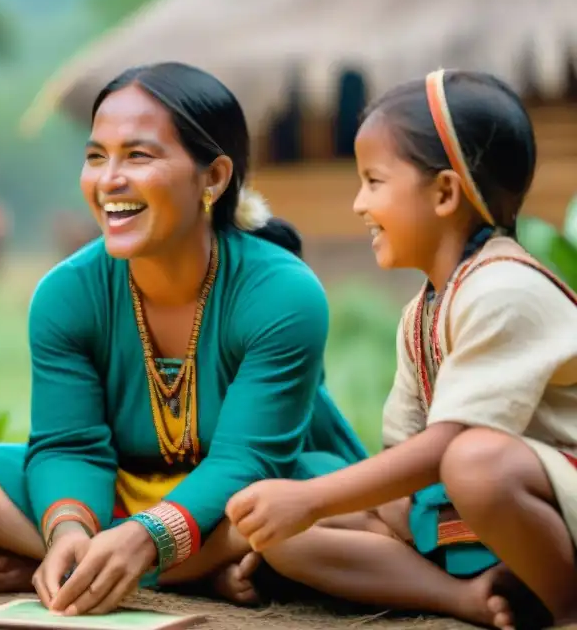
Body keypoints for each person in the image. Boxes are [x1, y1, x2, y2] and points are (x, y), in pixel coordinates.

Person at [0, 61, 368, 616]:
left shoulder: (282, 293)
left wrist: (147, 537)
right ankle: (149, 566)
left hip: (243, 495)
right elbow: (70, 445)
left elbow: (248, 461)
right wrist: (68, 529)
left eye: (138, 155)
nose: (108, 180)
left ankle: (119, 567)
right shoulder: (66, 294)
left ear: (214, 178)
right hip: (121, 494)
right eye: (96, 156)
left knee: (313, 510)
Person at [226, 69, 577, 630]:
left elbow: (447, 449)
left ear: (443, 193)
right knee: (289, 536)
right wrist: (306, 509)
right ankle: (468, 598)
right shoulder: (426, 310)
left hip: (548, 505)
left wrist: (315, 499)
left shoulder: (506, 288)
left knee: (473, 463)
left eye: (374, 180)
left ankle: (565, 611)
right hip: (471, 521)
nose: (360, 203)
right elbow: (405, 461)